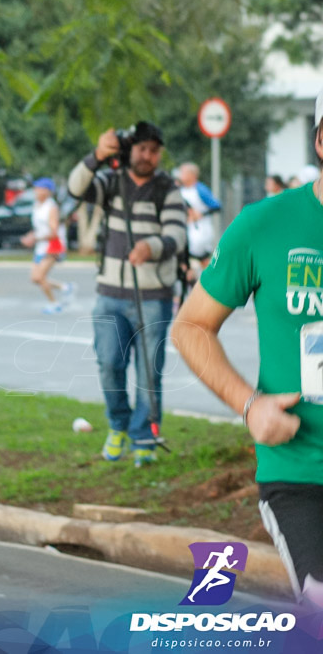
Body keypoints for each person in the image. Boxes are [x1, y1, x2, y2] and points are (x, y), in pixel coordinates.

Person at [172, 90, 323, 611]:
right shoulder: (265, 225)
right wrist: (249, 404)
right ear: (322, 140)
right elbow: (191, 326)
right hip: (303, 473)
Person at [67, 121, 187, 467]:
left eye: (153, 150)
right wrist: (97, 156)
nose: (147, 156)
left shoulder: (167, 188)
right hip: (110, 294)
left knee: (150, 372)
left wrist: (151, 246)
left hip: (153, 296)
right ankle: (118, 425)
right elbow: (76, 190)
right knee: (108, 364)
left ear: (159, 154)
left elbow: (177, 236)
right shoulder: (111, 181)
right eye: (141, 149)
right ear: (129, 150)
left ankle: (145, 436)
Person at [20, 177, 73, 313]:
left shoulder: (51, 207)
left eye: (39, 189)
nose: (36, 191)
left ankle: (54, 303)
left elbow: (53, 232)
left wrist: (35, 239)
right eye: (36, 188)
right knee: (34, 278)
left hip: (52, 246)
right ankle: (65, 287)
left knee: (39, 277)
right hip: (41, 245)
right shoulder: (37, 206)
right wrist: (30, 236)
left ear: (47, 191)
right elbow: (39, 228)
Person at [176, 162, 220, 272]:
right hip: (187, 231)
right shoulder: (181, 190)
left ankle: (211, 282)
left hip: (200, 232)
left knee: (202, 260)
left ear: (192, 175)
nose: (180, 175)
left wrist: (201, 214)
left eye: (183, 172)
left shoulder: (200, 189)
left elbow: (217, 206)